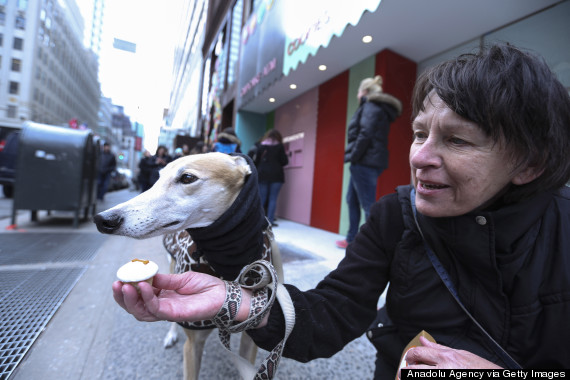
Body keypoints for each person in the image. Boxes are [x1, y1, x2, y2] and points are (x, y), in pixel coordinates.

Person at [111, 44, 570, 377]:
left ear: (529, 163)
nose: (419, 157)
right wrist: (241, 303)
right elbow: (332, 314)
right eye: (418, 134)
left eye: (456, 140)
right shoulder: (395, 216)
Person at [335, 75, 402, 249]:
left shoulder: (370, 106)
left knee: (368, 204)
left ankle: (374, 245)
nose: (357, 94)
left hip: (364, 161)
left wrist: (355, 156)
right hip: (368, 160)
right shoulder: (376, 107)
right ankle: (351, 239)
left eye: (358, 90)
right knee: (352, 200)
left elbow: (365, 133)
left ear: (364, 91)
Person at [248, 129, 289, 226]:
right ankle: (270, 221)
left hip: (262, 174)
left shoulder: (261, 146)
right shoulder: (280, 146)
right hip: (276, 175)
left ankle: (260, 220)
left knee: (262, 198)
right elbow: (284, 161)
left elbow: (256, 161)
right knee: (273, 198)